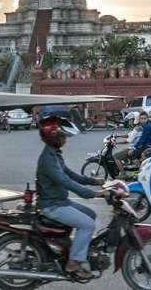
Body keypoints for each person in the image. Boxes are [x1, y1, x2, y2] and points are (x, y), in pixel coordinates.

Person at [35, 107, 108, 279]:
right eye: (62, 137)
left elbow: (71, 175)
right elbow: (66, 182)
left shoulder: (54, 154)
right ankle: (73, 263)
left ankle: (73, 248)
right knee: (87, 225)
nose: (65, 140)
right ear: (53, 137)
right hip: (52, 206)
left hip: (60, 201)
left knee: (90, 214)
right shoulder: (48, 159)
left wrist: (96, 182)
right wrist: (94, 194)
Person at [114, 111, 151, 177]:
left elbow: (130, 140)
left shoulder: (140, 128)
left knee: (116, 156)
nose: (129, 122)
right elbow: (129, 134)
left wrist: (117, 142)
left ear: (134, 119)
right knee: (126, 150)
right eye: (141, 118)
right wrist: (119, 136)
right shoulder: (141, 127)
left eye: (130, 120)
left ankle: (124, 174)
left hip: (143, 146)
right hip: (142, 145)